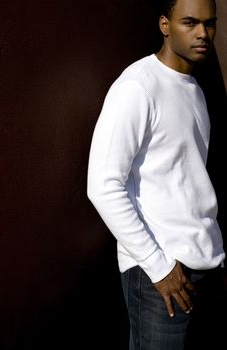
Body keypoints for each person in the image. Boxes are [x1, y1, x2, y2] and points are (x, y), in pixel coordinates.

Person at [87, 0, 227, 349]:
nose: (202, 34)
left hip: (205, 267)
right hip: (160, 275)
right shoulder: (138, 86)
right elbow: (102, 185)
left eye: (209, 24)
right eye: (189, 23)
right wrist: (159, 267)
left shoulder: (194, 89)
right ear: (165, 25)